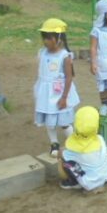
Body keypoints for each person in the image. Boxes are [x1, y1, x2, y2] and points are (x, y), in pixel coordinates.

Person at [34, 18, 80, 158]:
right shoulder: (42, 53)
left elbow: (68, 77)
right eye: (44, 38)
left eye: (48, 38)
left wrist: (64, 97)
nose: (45, 41)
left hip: (59, 94)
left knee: (64, 122)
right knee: (49, 121)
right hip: (46, 94)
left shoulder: (64, 56)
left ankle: (75, 142)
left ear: (59, 38)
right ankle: (54, 143)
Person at [58, 106, 107, 191]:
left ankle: (73, 182)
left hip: (89, 183)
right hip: (106, 176)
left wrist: (61, 153)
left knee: (64, 161)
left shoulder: (74, 151)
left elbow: (61, 153)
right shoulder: (100, 139)